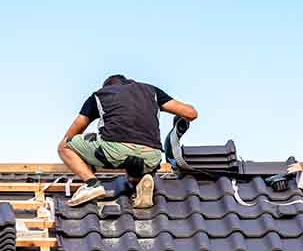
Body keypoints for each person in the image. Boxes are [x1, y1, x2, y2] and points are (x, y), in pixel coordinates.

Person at [58, 74, 198, 208]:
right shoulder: (151, 91)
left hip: (116, 151)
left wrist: (85, 159)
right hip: (152, 157)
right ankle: (142, 180)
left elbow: (72, 134)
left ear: (106, 86)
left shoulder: (100, 95)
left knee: (64, 146)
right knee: (133, 166)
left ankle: (92, 184)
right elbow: (190, 114)